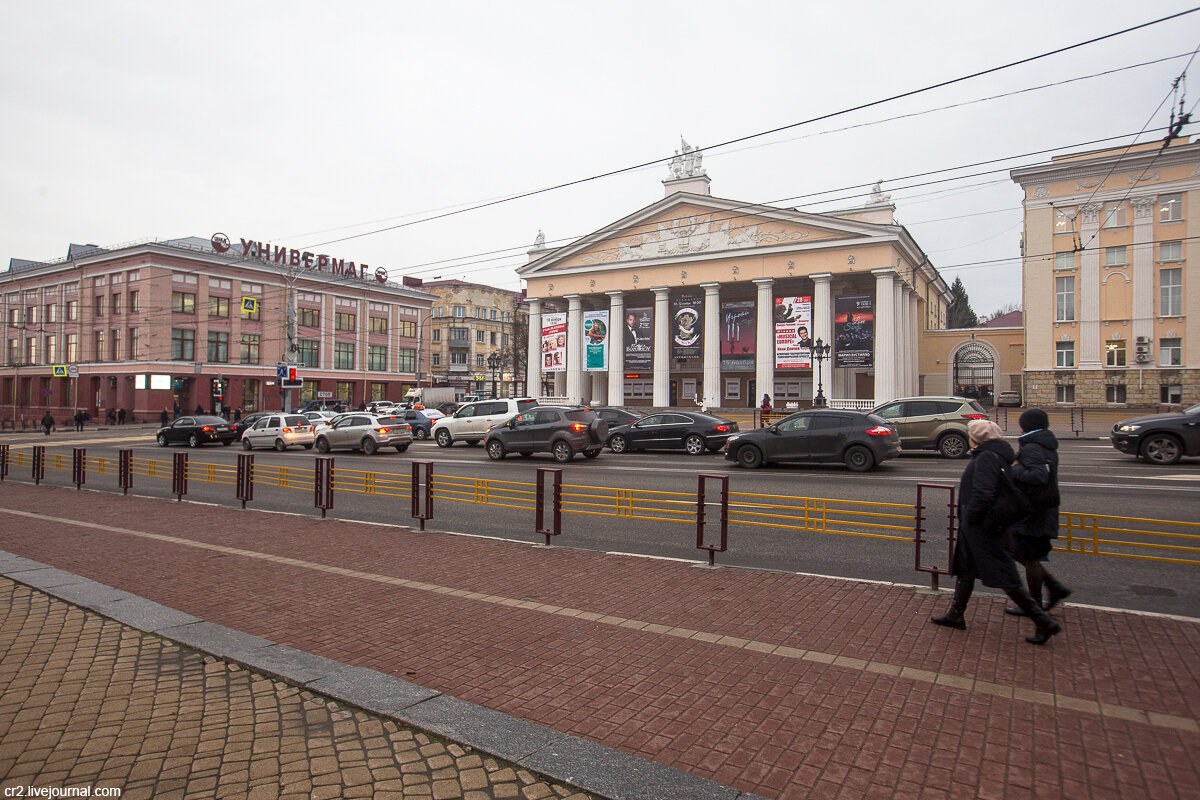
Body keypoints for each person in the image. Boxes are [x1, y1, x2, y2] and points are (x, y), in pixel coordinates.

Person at [930, 419, 1061, 645]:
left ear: (976, 439)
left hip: (983, 528)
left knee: (1005, 578)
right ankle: (956, 614)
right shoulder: (996, 454)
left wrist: (971, 518)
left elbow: (983, 493)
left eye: (970, 434)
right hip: (979, 527)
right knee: (966, 570)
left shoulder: (987, 458)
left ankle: (1043, 622)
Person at [1005, 408, 1071, 617]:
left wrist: (1014, 468)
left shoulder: (1032, 446)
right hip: (1041, 508)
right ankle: (1053, 588)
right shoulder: (1043, 443)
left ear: (1025, 426)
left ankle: (1034, 605)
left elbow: (1039, 476)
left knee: (1029, 556)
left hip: (1035, 511)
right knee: (1018, 550)